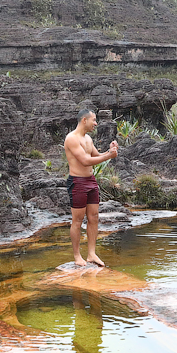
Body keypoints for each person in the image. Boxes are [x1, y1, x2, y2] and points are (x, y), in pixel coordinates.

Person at [63, 109, 118, 267]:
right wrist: (108, 156)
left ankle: (91, 254)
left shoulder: (88, 138)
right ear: (84, 120)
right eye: (93, 120)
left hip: (91, 181)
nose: (96, 123)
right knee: (77, 220)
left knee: (94, 217)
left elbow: (96, 156)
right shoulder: (72, 138)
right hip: (77, 182)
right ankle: (77, 256)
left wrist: (110, 150)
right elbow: (85, 161)